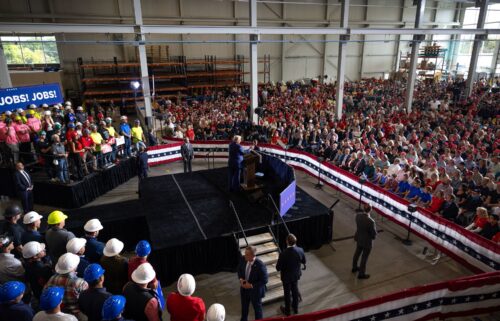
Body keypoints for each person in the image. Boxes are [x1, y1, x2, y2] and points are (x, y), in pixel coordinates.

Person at [44, 253, 89, 320]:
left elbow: (45, 293)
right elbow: (87, 299)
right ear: (74, 267)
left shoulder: (52, 278)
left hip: (58, 312)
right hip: (75, 312)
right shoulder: (80, 283)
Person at [276, 234, 306, 316]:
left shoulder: (283, 254)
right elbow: (304, 261)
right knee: (295, 291)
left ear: (287, 242)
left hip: (286, 277)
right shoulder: (300, 250)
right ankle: (296, 309)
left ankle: (288, 311)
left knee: (287, 293)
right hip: (296, 275)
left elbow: (278, 268)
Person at [237, 246, 268, 321]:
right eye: (245, 253)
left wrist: (251, 285)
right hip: (244, 290)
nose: (245, 255)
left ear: (253, 256)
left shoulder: (260, 265)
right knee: (244, 308)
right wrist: (241, 279)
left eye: (247, 254)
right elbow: (239, 269)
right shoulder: (243, 259)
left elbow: (264, 280)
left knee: (257, 310)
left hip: (255, 291)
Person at [352, 204, 377, 279]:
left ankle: (354, 267)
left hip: (359, 238)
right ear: (370, 210)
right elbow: (373, 234)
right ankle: (361, 274)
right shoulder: (371, 221)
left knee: (357, 253)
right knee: (364, 257)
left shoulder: (358, 216)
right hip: (367, 242)